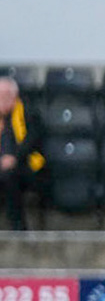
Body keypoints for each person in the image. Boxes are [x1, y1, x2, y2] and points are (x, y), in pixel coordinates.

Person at [0, 76, 43, 230]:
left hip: (24, 166)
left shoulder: (28, 113)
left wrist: (14, 157)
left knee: (9, 176)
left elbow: (32, 140)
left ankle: (18, 228)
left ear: (14, 96)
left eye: (6, 96)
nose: (2, 100)